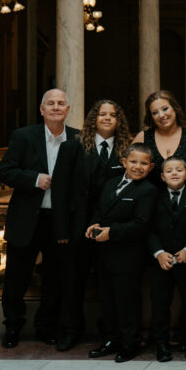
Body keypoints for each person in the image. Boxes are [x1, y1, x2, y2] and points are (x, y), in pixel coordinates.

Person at [0, 88, 86, 350]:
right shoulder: (23, 137)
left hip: (60, 222)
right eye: (51, 103)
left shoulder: (79, 139)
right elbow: (5, 172)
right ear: (42, 109)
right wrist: (35, 179)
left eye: (61, 103)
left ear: (68, 110)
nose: (56, 107)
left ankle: (45, 326)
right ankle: (13, 326)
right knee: (16, 277)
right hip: (27, 220)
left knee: (54, 279)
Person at [66, 99, 133, 352]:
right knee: (74, 283)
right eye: (102, 114)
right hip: (79, 227)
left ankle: (110, 335)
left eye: (113, 115)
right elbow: (62, 189)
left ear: (119, 121)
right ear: (93, 118)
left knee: (109, 286)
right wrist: (64, 230)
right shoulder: (74, 146)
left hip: (112, 230)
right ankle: (71, 331)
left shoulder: (127, 149)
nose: (107, 118)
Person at [85, 142, 157, 363]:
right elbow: (99, 210)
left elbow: (141, 224)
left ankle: (130, 343)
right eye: (133, 162)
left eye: (143, 164)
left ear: (151, 167)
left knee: (127, 302)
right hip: (105, 254)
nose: (138, 166)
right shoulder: (110, 183)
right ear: (124, 162)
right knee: (107, 300)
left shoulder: (148, 191)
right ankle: (111, 339)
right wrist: (94, 223)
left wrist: (112, 232)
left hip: (128, 256)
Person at [147, 156, 186, 362]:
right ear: (162, 177)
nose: (174, 173)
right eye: (169, 170)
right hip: (161, 260)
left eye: (179, 170)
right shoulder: (154, 197)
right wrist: (158, 252)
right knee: (160, 303)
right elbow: (149, 229)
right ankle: (161, 344)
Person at [134, 90, 186, 188]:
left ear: (175, 108)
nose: (161, 115)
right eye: (155, 112)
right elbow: (130, 169)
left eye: (165, 109)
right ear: (151, 116)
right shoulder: (143, 137)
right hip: (151, 200)